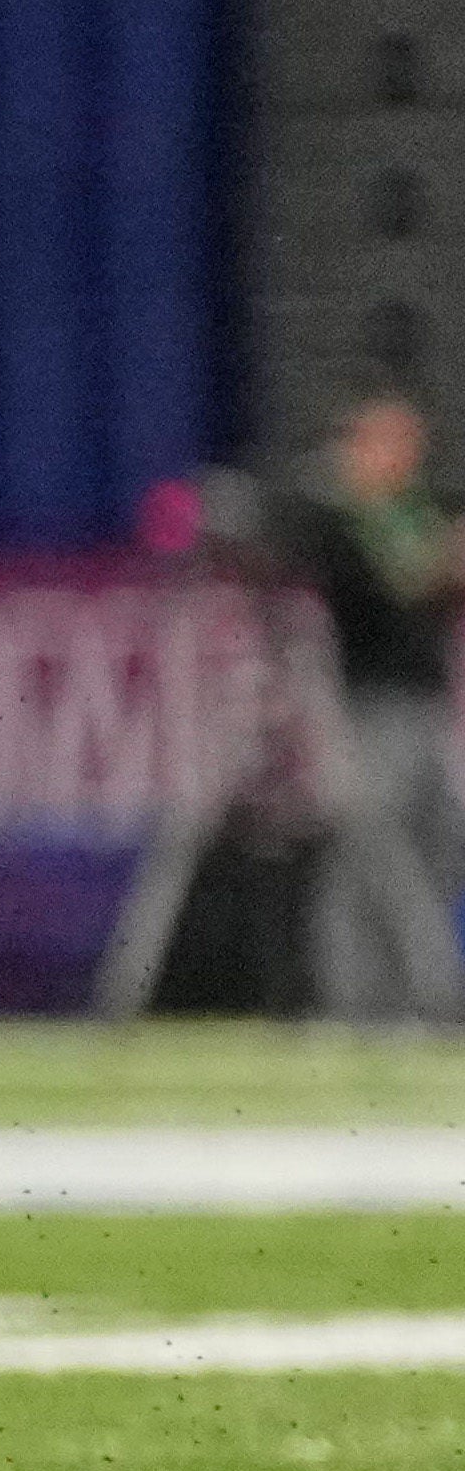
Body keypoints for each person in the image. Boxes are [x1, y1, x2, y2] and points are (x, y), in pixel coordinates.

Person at [290, 393, 465, 1025]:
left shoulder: (414, 511)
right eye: (390, 440)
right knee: (387, 857)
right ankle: (426, 999)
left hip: (423, 706)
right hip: (368, 711)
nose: (406, 454)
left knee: (421, 851)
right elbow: (408, 575)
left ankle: (364, 1003)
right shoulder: (344, 516)